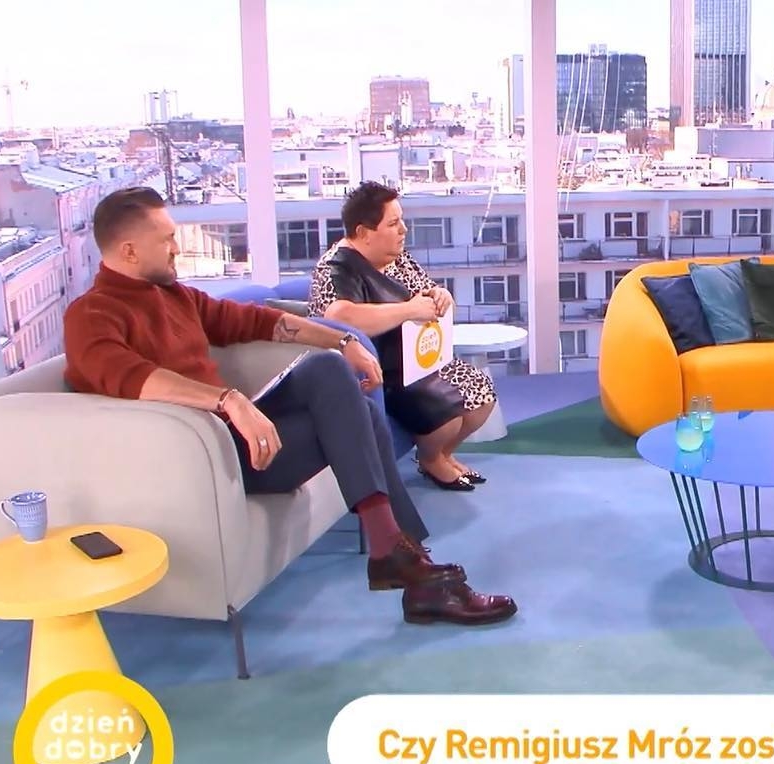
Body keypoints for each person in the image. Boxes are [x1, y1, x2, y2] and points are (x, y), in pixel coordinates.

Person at [62, 186, 517, 626]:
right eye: (166, 240)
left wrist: (342, 341)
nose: (177, 248)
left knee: (329, 371)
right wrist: (228, 400)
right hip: (201, 455)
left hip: (237, 439)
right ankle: (413, 571)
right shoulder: (90, 315)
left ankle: (399, 557)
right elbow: (132, 376)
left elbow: (258, 321)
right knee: (354, 416)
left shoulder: (174, 295)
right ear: (129, 251)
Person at [308, 182, 496, 492]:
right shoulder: (337, 268)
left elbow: (425, 289)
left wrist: (440, 295)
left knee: (482, 395)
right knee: (445, 414)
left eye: (402, 221)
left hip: (417, 358)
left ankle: (443, 455)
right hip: (380, 371)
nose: (403, 230)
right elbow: (340, 318)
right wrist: (408, 310)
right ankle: (432, 459)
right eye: (393, 223)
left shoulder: (396, 257)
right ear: (364, 232)